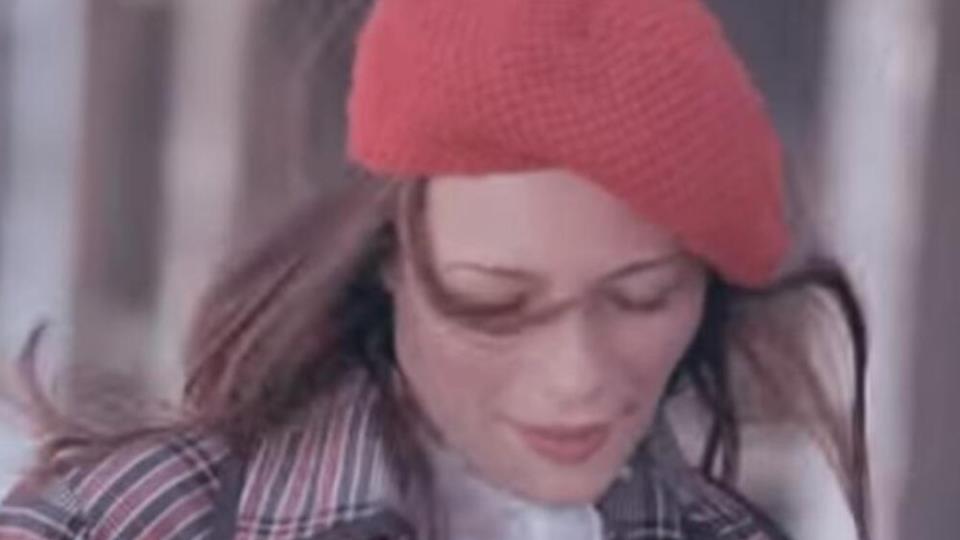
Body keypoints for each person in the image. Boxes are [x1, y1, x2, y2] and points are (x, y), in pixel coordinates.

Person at [0, 0, 870, 538]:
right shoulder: (117, 525)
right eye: (495, 303)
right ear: (388, 259)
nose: (576, 376)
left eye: (642, 299)